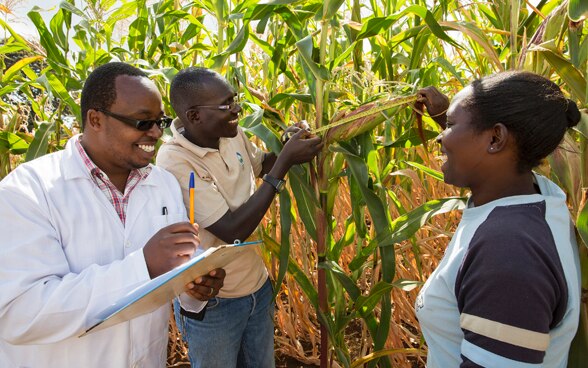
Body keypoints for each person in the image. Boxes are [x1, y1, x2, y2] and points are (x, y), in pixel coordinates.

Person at [0, 62, 226, 368]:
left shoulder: (163, 184)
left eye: (161, 121)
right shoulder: (27, 191)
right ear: (95, 119)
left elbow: (176, 263)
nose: (157, 133)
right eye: (143, 122)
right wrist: (143, 265)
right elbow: (20, 314)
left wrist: (193, 289)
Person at [156, 67, 323, 367]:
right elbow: (233, 230)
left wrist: (288, 145)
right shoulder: (174, 161)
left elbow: (261, 166)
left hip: (256, 288)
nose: (237, 110)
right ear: (194, 116)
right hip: (215, 303)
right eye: (227, 105)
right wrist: (285, 162)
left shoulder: (230, 133)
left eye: (235, 100)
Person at [415, 71, 582, 367]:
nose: (440, 137)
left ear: (495, 138)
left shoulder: (508, 251)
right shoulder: (537, 196)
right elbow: (499, 158)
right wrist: (447, 118)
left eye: (451, 126)